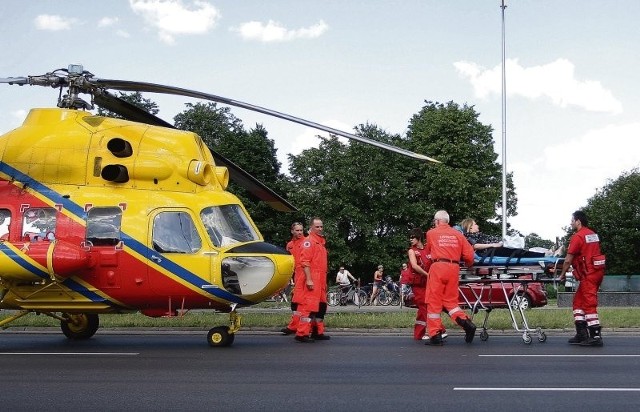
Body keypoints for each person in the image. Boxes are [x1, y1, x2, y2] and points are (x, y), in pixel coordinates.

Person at [424, 210, 476, 345]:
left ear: (436, 221)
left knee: (433, 302)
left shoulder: (431, 233)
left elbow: (429, 252)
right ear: (447, 221)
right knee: (451, 302)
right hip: (454, 269)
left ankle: (435, 335)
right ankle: (467, 323)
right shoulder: (458, 235)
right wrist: (469, 265)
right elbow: (469, 255)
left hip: (438, 267)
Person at [559, 210, 606, 347]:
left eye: (572, 220)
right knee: (578, 303)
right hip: (596, 272)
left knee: (588, 303)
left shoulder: (578, 237)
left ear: (578, 221)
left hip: (589, 274)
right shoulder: (592, 234)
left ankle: (595, 336)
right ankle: (582, 334)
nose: (571, 222)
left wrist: (562, 275)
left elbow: (568, 260)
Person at [295, 217, 329, 343]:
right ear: (311, 227)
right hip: (313, 278)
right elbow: (304, 262)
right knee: (308, 306)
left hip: (320, 279)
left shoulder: (320, 242)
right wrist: (309, 279)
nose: (320, 229)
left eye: (321, 226)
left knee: (321, 306)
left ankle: (317, 332)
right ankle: (302, 333)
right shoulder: (309, 242)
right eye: (317, 227)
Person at [406, 228, 431, 340]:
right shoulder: (412, 251)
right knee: (423, 306)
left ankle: (418, 334)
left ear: (419, 237)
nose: (410, 240)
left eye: (413, 237)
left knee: (425, 308)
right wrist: (428, 275)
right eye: (410, 238)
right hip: (418, 284)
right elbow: (415, 266)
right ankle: (438, 329)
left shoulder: (427, 249)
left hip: (428, 283)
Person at [281, 222, 305, 335]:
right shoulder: (289, 245)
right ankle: (295, 325)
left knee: (302, 302)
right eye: (297, 230)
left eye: (301, 230)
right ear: (292, 231)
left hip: (305, 274)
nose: (300, 232)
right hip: (295, 275)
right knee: (295, 301)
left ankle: (301, 327)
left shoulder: (306, 242)